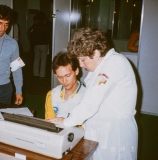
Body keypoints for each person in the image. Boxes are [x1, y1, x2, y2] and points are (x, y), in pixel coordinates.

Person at [49, 27, 138, 160]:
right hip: (100, 129)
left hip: (116, 132)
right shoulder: (100, 67)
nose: (81, 64)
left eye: (82, 59)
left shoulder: (114, 64)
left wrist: (67, 122)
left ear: (96, 53)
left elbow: (91, 102)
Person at [45, 52, 86, 120]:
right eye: (60, 77)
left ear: (76, 71)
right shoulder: (52, 95)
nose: (64, 81)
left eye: (67, 75)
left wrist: (65, 122)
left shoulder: (86, 96)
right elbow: (49, 123)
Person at [30, 12, 49, 79]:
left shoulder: (34, 27)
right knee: (43, 59)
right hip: (44, 44)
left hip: (36, 44)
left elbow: (30, 34)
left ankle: (35, 74)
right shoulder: (45, 26)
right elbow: (47, 35)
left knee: (36, 59)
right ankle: (42, 75)